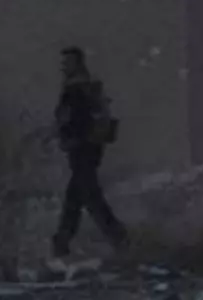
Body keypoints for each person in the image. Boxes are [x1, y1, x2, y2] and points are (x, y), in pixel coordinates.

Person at [50, 46, 127, 259]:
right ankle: (62, 241)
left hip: (81, 149)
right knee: (75, 197)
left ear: (77, 64)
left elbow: (72, 120)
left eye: (68, 62)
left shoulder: (75, 90)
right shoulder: (89, 87)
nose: (64, 66)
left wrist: (65, 137)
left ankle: (118, 237)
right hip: (89, 148)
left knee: (90, 197)